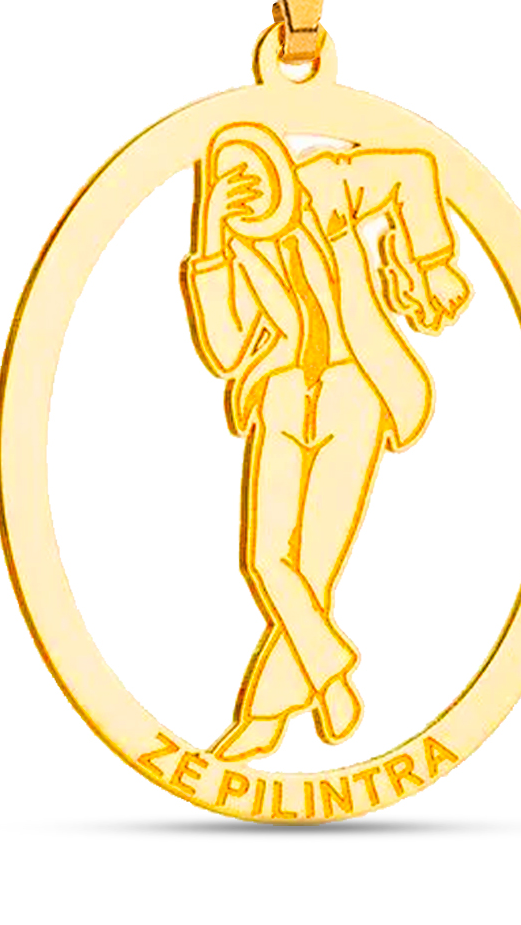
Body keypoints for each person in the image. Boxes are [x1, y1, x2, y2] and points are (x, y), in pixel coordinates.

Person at [181, 121, 470, 760]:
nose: (249, 192)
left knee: (314, 565)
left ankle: (263, 719)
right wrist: (209, 237)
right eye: (231, 185)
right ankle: (329, 675)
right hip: (283, 396)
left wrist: (432, 260)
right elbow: (226, 350)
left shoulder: (329, 184)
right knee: (266, 559)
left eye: (256, 174)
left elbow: (415, 169)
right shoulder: (234, 243)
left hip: (353, 387)